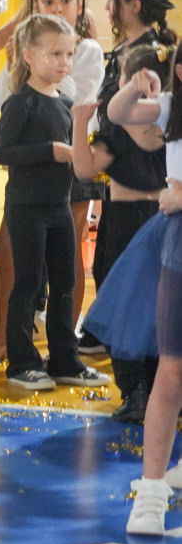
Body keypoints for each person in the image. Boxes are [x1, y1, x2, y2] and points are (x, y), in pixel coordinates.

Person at [0, 13, 109, 391]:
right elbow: (2, 152)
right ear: (29, 56)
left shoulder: (66, 104)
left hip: (59, 206)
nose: (64, 62)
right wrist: (51, 151)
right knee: (28, 283)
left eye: (68, 54)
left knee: (65, 281)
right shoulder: (20, 103)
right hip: (26, 208)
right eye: (55, 54)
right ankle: (21, 362)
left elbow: (76, 155)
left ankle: (64, 359)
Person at [97, 58, 182, 535]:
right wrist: (134, 85)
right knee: (172, 368)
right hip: (177, 247)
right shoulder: (170, 107)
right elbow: (117, 113)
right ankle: (150, 493)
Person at [77, 40, 170, 422]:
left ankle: (144, 389)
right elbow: (86, 169)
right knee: (144, 305)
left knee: (138, 306)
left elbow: (84, 168)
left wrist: (79, 123)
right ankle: (145, 390)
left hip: (146, 220)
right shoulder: (150, 124)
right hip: (145, 219)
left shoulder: (157, 121)